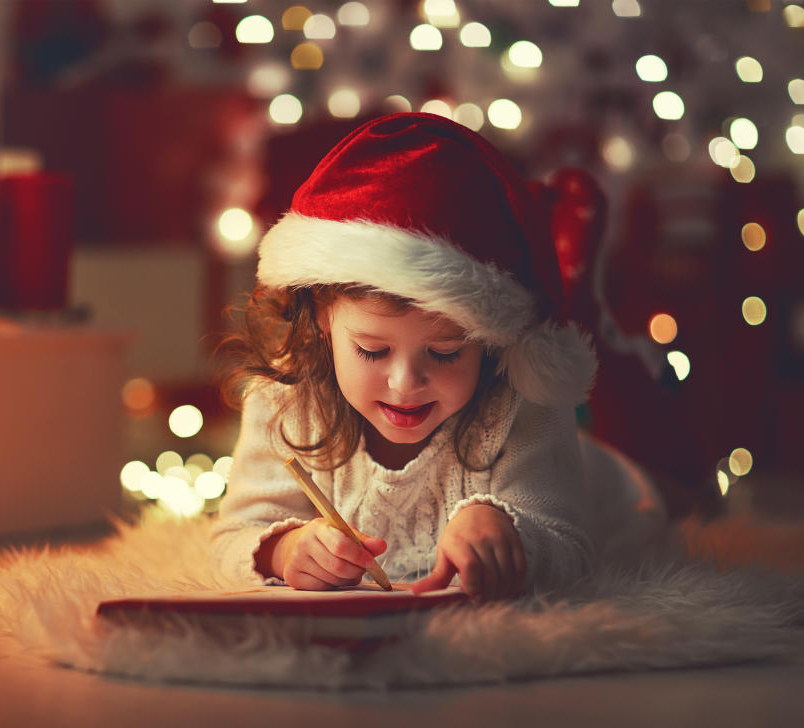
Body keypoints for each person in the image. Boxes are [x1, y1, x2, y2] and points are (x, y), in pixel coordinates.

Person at [211, 113, 667, 601]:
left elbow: (570, 550)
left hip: (622, 501)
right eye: (372, 350)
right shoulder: (285, 400)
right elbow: (230, 539)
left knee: (675, 492)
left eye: (446, 353)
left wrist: (509, 531)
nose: (406, 382)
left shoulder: (522, 404)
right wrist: (284, 550)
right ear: (323, 319)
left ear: (487, 341)